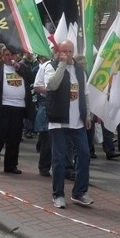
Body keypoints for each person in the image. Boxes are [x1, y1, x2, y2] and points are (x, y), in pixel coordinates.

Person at [43, 40, 93, 208]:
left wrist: (88, 115)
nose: (66, 54)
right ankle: (58, 194)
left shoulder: (80, 70)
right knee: (59, 158)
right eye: (63, 51)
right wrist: (62, 66)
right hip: (59, 120)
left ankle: (79, 192)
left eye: (70, 51)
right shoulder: (50, 66)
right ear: (58, 52)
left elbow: (85, 94)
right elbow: (52, 85)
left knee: (85, 154)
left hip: (77, 121)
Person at [0, 46, 33, 173]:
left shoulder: (22, 68)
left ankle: (11, 165)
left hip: (19, 108)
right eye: (8, 55)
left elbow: (31, 79)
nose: (10, 58)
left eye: (13, 55)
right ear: (2, 56)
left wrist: (20, 69)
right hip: (2, 107)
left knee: (15, 138)